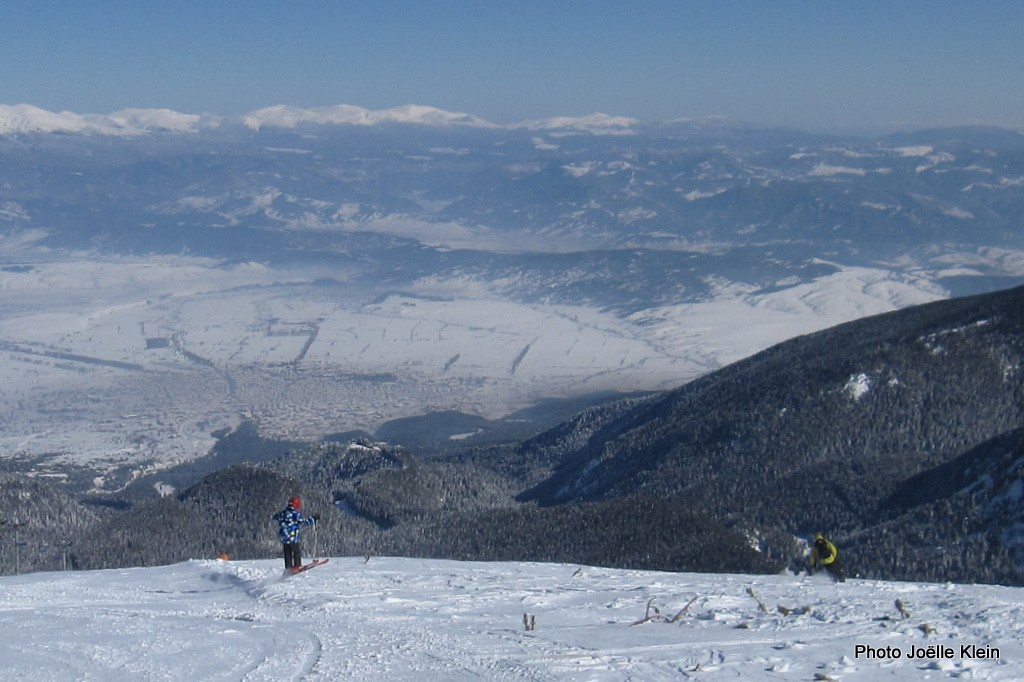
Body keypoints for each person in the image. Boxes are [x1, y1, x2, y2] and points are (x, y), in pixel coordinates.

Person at [272, 496, 318, 571]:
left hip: (284, 537)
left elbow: (275, 517)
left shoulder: (283, 513)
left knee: (287, 553)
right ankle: (297, 566)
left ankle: (288, 568)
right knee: (296, 551)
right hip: (292, 537)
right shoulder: (295, 514)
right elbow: (304, 522)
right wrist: (313, 519)